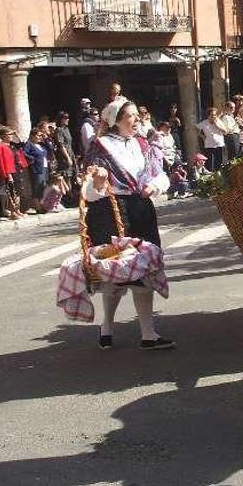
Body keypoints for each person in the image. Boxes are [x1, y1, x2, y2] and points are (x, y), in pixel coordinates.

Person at [84, 97, 173, 351]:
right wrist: (99, 183)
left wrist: (154, 186)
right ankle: (107, 326)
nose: (137, 120)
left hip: (141, 210)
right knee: (116, 273)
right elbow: (88, 189)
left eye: (137, 115)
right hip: (111, 212)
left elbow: (160, 173)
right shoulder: (100, 146)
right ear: (116, 121)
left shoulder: (143, 144)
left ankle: (148, 333)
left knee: (145, 270)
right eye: (131, 116)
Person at [0, 127, 24, 219]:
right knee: (11, 192)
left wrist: (15, 133)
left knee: (17, 191)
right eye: (9, 134)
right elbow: (1, 161)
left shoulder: (11, 145)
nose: (11, 136)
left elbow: (21, 143)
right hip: (8, 172)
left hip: (16, 170)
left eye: (11, 134)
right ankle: (12, 212)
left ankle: (17, 210)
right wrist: (7, 174)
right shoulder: (0, 146)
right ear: (3, 135)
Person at [24, 127, 49, 214]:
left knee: (43, 186)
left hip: (44, 167)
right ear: (33, 136)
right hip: (37, 168)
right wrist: (32, 159)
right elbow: (24, 153)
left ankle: (40, 203)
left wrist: (46, 139)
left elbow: (49, 150)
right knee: (37, 187)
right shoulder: (29, 144)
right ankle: (37, 206)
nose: (40, 137)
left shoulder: (41, 145)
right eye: (39, 135)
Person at [196, 107, 227, 172]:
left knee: (220, 165)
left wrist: (217, 126)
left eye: (215, 115)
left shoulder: (218, 121)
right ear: (208, 116)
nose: (214, 116)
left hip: (219, 145)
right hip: (209, 146)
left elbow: (225, 132)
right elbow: (196, 128)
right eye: (212, 115)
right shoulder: (204, 123)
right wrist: (202, 136)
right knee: (210, 165)